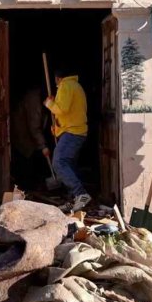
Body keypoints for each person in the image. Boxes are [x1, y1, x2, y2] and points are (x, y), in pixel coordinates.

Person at [44, 65, 90, 212]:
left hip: (73, 132)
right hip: (74, 131)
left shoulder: (65, 86)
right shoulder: (76, 86)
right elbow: (68, 114)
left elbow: (61, 109)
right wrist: (57, 129)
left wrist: (49, 103)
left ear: (58, 78)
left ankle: (80, 194)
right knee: (69, 165)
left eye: (56, 81)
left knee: (59, 162)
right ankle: (73, 200)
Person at [10, 85, 50, 191]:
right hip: (23, 134)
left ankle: (30, 186)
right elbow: (34, 126)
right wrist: (43, 146)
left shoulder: (41, 99)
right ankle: (26, 188)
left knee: (29, 158)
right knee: (26, 159)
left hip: (28, 134)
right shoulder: (34, 101)